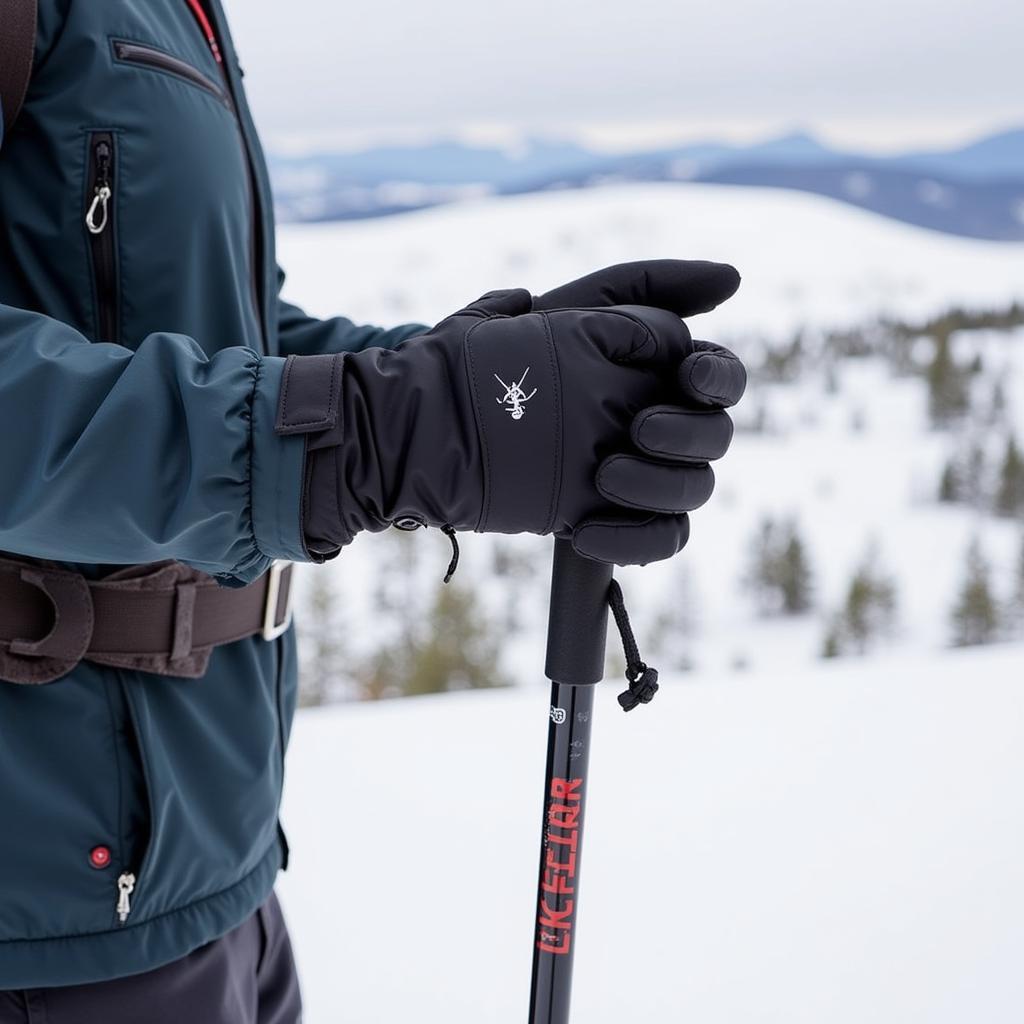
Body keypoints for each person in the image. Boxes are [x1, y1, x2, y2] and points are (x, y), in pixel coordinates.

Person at [0, 1, 746, 1020]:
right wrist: (368, 429)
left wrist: (464, 391)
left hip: (211, 858)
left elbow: (233, 326)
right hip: (46, 924)